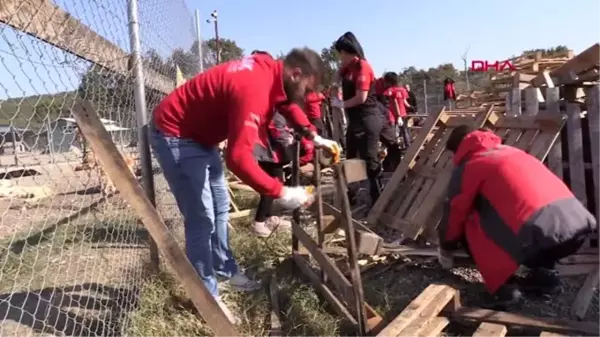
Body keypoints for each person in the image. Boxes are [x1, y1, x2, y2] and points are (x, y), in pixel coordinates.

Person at [150, 48, 340, 322]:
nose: (305, 97)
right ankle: (207, 298)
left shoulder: (273, 73)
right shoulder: (254, 88)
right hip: (176, 134)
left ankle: (226, 271)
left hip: (202, 138)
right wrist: (282, 192)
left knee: (220, 207)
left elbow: (286, 103)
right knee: (201, 219)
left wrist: (312, 135)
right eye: (306, 89)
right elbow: (238, 159)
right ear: (296, 73)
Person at [437, 125, 596, 308]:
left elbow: (455, 212)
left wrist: (446, 245)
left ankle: (505, 290)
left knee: (471, 224)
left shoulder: (471, 165)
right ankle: (544, 278)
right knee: (532, 222)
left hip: (536, 235)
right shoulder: (512, 152)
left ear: (458, 149)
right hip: (576, 227)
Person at [330, 31, 384, 202]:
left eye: (342, 54)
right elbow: (338, 74)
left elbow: (361, 97)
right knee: (352, 159)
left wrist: (341, 104)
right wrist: (334, 83)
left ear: (350, 52)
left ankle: (377, 198)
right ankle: (352, 195)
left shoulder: (362, 67)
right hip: (354, 121)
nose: (341, 58)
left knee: (370, 160)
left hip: (368, 118)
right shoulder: (348, 68)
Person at [252, 112, 314, 237]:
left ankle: (268, 218)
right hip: (270, 155)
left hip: (269, 154)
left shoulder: (277, 111)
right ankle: (258, 223)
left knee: (273, 185)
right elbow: (279, 133)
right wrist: (292, 141)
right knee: (271, 187)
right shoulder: (276, 113)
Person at [382, 72, 411, 149]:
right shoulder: (402, 90)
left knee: (392, 132)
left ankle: (393, 148)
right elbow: (405, 102)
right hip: (403, 113)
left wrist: (398, 116)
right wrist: (411, 107)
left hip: (392, 114)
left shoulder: (389, 90)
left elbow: (394, 103)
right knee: (405, 131)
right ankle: (408, 147)